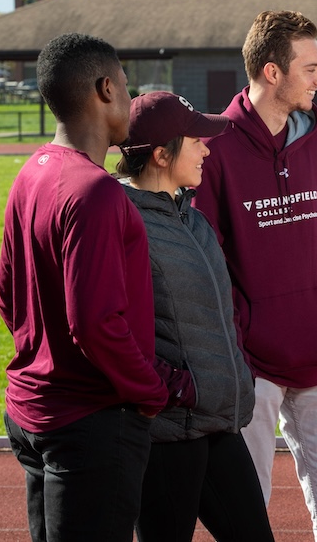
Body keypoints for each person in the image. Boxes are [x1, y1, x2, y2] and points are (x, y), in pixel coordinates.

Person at [193, 10, 317, 541]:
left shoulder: (316, 137)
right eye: (311, 68)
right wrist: (245, 331)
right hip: (253, 366)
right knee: (247, 514)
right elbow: (207, 256)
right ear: (273, 72)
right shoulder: (214, 148)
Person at [0, 33, 169, 542]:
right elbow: (95, 322)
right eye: (126, 84)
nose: (131, 97)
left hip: (33, 410)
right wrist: (150, 391)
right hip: (90, 420)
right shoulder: (95, 191)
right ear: (104, 89)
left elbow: (9, 295)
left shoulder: (32, 171)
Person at [115, 91, 274, 542]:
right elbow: (112, 329)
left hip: (217, 422)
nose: (208, 148)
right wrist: (176, 388)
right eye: (196, 141)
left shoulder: (193, 219)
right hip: (167, 434)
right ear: (162, 155)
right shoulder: (124, 224)